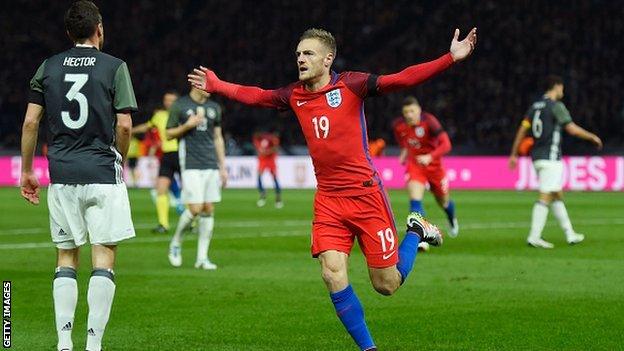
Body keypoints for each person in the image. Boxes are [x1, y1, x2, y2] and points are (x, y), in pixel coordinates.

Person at [188, 27, 476, 350]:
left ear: (328, 59)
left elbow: (402, 79)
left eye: (307, 53)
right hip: (328, 200)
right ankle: (369, 348)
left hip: (366, 194)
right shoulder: (294, 94)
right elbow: (256, 95)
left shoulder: (352, 85)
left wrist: (450, 58)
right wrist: (217, 85)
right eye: (298, 53)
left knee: (387, 284)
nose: (300, 58)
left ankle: (415, 231)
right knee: (332, 274)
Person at [20, 2, 137, 350]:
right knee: (104, 257)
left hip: (62, 174)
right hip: (102, 171)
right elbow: (126, 125)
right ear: (99, 29)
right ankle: (93, 344)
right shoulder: (115, 67)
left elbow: (30, 123)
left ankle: (63, 342)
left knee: (66, 255)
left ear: (69, 33)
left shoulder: (49, 66)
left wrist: (27, 171)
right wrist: (120, 158)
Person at [509, 75, 602, 249]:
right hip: (550, 157)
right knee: (545, 195)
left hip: (537, 157)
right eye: (562, 88)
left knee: (556, 194)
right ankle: (534, 236)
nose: (563, 92)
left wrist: (514, 153)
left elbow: (522, 130)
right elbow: (571, 128)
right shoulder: (556, 106)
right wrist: (592, 137)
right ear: (556, 86)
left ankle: (570, 234)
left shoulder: (534, 107)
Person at [166, 87, 227, 269]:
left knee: (208, 208)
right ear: (195, 85)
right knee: (195, 208)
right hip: (190, 162)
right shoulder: (180, 105)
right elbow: (168, 134)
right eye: (207, 84)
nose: (211, 88)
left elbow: (217, 137)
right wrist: (187, 125)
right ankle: (175, 242)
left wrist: (222, 166)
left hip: (210, 164)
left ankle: (202, 258)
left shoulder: (214, 107)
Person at [392, 96, 458, 246]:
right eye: (406, 112)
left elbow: (446, 144)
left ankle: (451, 217)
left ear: (419, 110)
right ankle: (419, 236)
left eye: (412, 111)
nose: (409, 115)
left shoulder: (429, 121)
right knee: (415, 200)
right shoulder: (398, 125)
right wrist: (403, 153)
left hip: (435, 167)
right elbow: (404, 142)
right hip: (415, 166)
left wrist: (430, 156)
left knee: (444, 202)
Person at [132, 91, 182, 233]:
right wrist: (131, 130)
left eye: (172, 100)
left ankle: (193, 223)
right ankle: (163, 224)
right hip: (167, 156)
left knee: (190, 190)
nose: (168, 102)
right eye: (166, 100)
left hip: (182, 154)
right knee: (161, 188)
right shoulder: (159, 116)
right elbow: (147, 126)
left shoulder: (183, 115)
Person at [252, 130, 283, 208]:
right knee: (259, 177)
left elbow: (275, 148)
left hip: (270, 160)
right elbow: (258, 149)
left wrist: (266, 152)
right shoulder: (256, 140)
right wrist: (262, 152)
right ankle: (263, 195)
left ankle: (278, 199)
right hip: (262, 160)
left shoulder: (271, 138)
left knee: (275, 179)